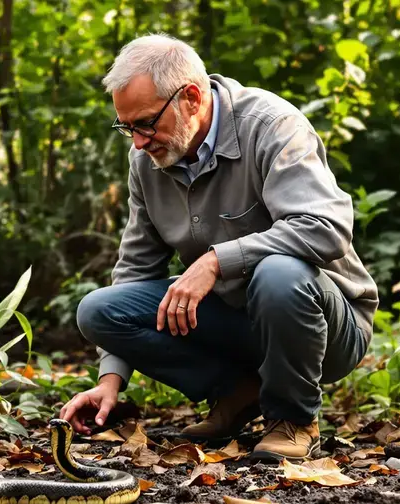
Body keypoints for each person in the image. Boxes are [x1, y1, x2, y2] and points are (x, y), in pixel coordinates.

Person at [58, 34, 378, 460]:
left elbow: (325, 226)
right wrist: (110, 379)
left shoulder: (271, 126)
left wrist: (216, 260)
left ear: (191, 97)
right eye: (127, 127)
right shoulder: (148, 160)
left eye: (146, 123)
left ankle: (293, 418)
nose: (137, 141)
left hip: (324, 324)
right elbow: (136, 267)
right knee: (98, 309)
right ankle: (237, 392)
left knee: (279, 273)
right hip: (237, 321)